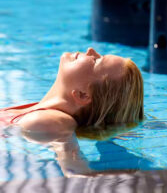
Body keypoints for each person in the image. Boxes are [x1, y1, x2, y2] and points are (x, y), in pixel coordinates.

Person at [0, 47, 144, 176]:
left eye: (95, 61)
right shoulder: (36, 110)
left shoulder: (52, 122)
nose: (90, 50)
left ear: (83, 95)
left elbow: (75, 172)